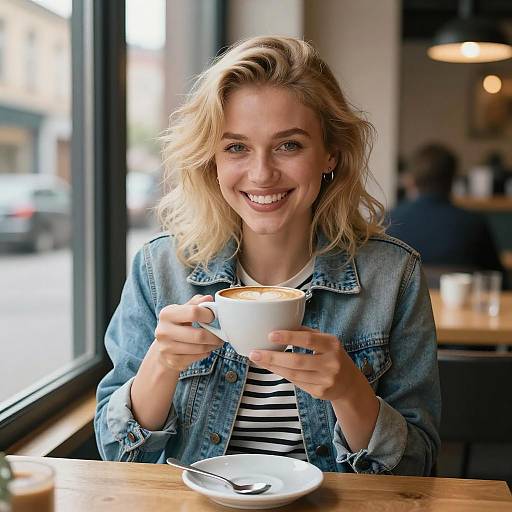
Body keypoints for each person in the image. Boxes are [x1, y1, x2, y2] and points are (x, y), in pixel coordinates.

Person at [95, 36, 440, 475]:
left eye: (289, 145)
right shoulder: (159, 269)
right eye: (236, 147)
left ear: (329, 154)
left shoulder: (395, 276)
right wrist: (160, 365)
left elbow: (418, 468)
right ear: (212, 159)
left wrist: (351, 393)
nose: (261, 174)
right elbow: (117, 456)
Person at [387, 143, 506, 286]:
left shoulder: (387, 221)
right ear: (452, 179)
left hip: (404, 307)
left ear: (411, 179)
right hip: (462, 307)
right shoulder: (474, 224)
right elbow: (498, 279)